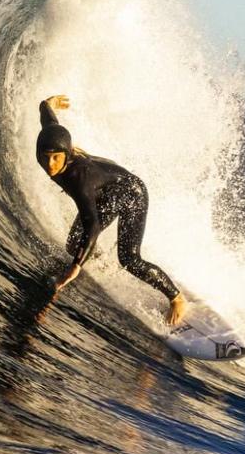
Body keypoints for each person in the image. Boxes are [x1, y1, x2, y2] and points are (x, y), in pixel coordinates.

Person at [36, 94, 187, 325]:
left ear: (66, 155)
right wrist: (48, 104)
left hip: (131, 193)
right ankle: (96, 260)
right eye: (45, 158)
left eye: (56, 158)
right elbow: (48, 120)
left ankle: (176, 298)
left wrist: (76, 266)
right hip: (108, 190)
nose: (50, 165)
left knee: (129, 258)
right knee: (73, 243)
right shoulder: (52, 139)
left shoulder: (80, 181)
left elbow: (92, 224)